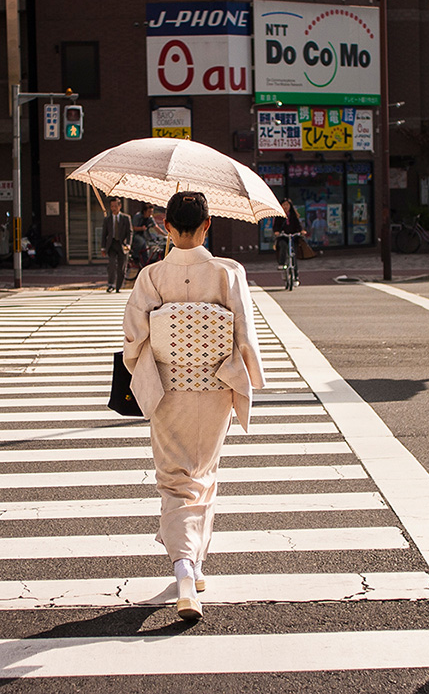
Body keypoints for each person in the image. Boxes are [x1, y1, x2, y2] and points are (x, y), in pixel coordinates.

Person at [122, 191, 265, 621]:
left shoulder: (151, 277)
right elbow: (244, 334)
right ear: (207, 226)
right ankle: (196, 563)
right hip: (215, 386)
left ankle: (185, 570)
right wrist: (250, 378)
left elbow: (133, 338)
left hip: (168, 390)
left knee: (174, 479)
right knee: (204, 472)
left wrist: (165, 345)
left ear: (167, 226)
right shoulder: (228, 272)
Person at [101, 197, 132, 292]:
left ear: (120, 206)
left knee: (122, 267)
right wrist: (103, 248)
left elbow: (129, 232)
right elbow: (104, 234)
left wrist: (129, 244)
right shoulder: (107, 219)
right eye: (112, 206)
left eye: (115, 206)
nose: (113, 208)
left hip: (122, 245)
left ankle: (118, 286)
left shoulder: (126, 218)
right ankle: (111, 285)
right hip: (111, 245)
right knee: (112, 264)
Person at [272, 198, 306, 267]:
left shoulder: (293, 215)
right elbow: (276, 226)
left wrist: (301, 231)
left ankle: (294, 267)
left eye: (287, 205)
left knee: (294, 250)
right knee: (283, 246)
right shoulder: (279, 216)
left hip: (293, 236)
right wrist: (277, 232)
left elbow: (298, 225)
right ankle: (281, 263)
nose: (285, 207)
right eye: (284, 205)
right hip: (283, 236)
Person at [131, 202, 163, 267]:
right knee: (141, 242)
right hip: (135, 234)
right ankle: (135, 256)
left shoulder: (150, 218)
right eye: (149, 212)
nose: (150, 214)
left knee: (150, 246)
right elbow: (133, 228)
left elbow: (156, 227)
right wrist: (141, 228)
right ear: (144, 211)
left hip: (145, 235)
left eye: (151, 212)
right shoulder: (138, 216)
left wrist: (166, 235)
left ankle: (145, 263)